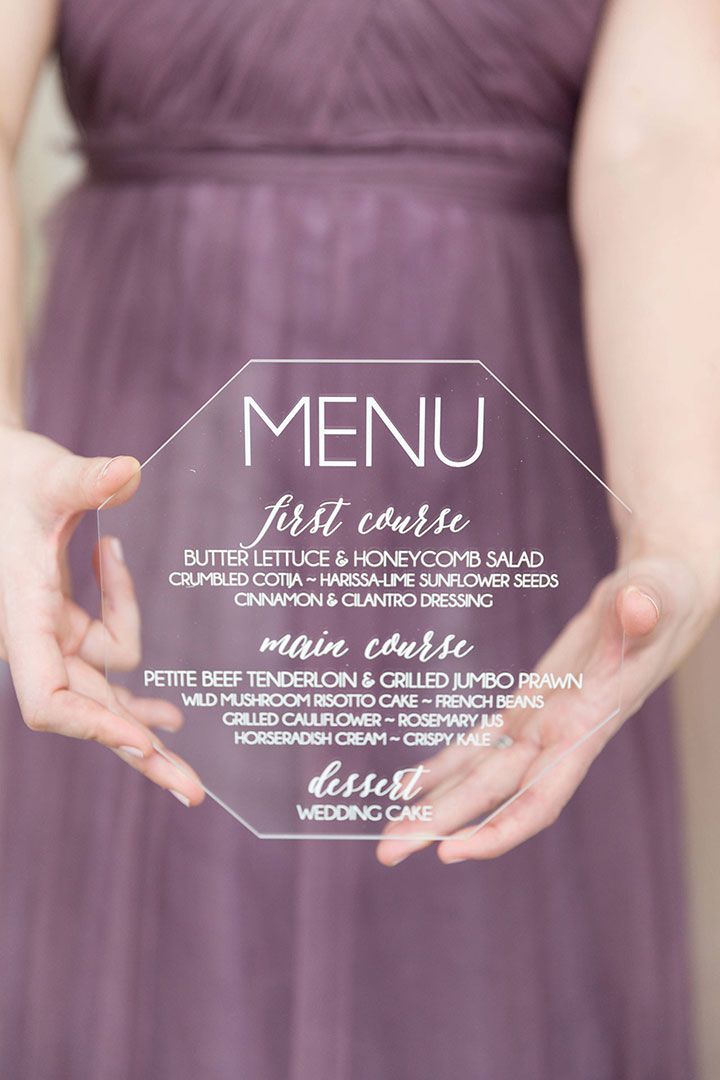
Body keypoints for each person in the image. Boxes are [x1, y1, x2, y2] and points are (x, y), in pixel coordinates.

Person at [0, 0, 717, 1076]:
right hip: (150, 483)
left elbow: (660, 138)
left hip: (505, 496)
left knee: (484, 946)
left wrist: (676, 522)